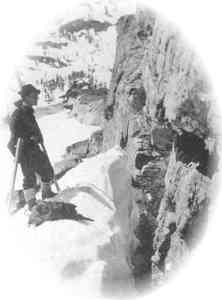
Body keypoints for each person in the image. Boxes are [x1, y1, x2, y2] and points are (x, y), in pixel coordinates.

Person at [8, 84, 57, 210]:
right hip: (24, 150)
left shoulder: (29, 112)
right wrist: (27, 140)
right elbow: (14, 135)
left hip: (33, 147)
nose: (37, 98)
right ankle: (31, 203)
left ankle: (46, 192)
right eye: (34, 96)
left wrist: (38, 138)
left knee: (47, 170)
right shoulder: (18, 114)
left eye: (36, 95)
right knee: (29, 176)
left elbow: (34, 129)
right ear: (26, 97)